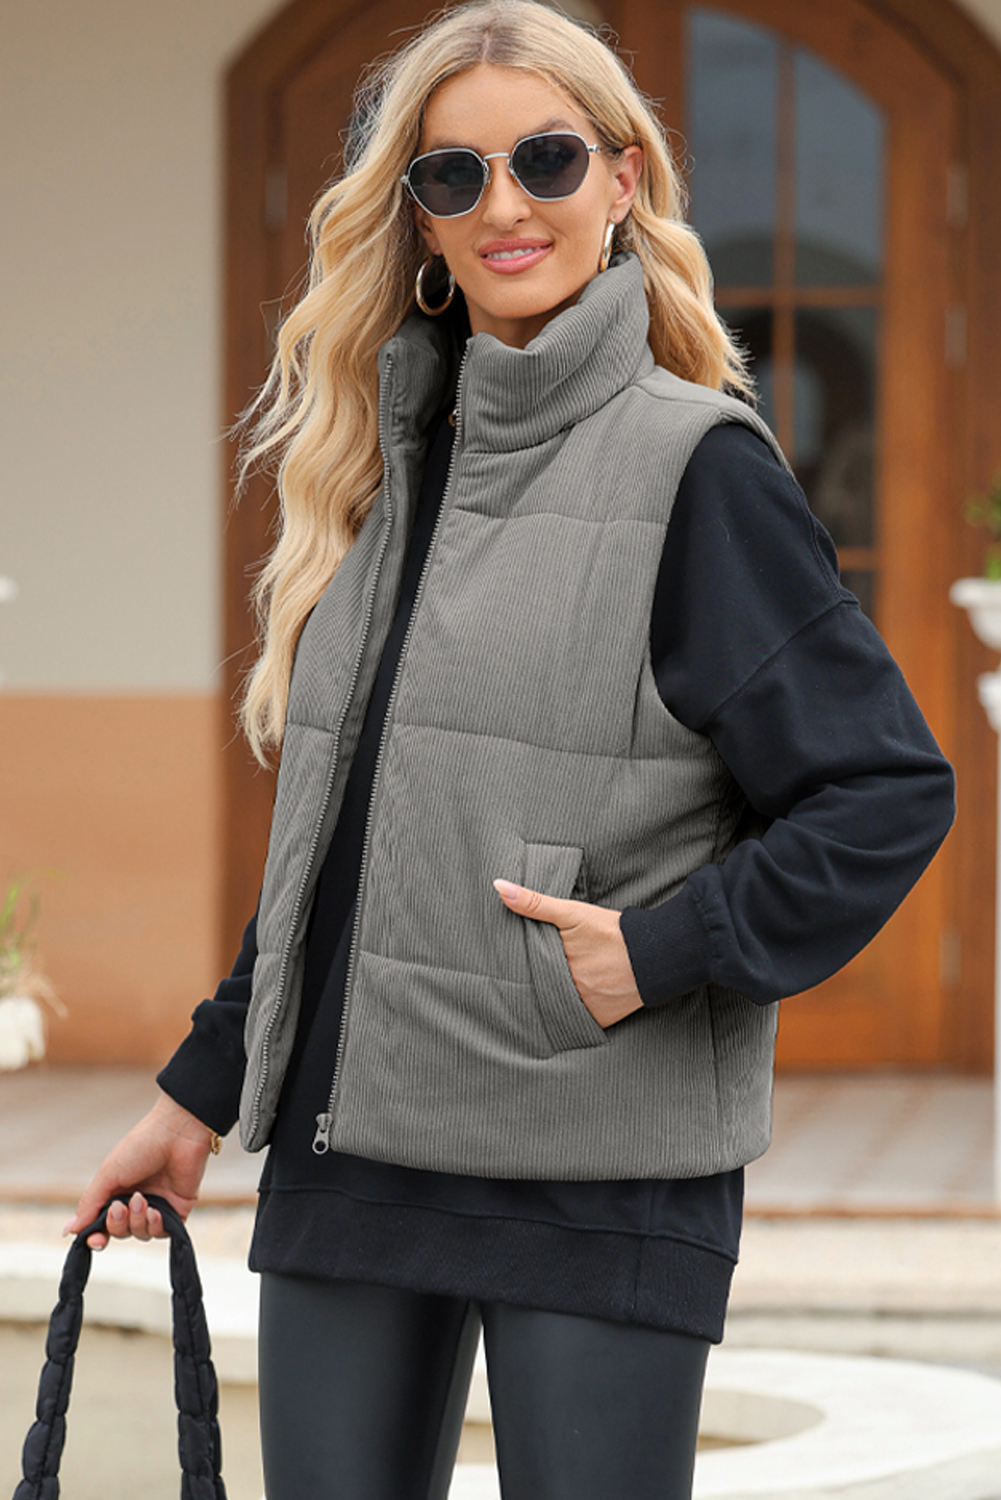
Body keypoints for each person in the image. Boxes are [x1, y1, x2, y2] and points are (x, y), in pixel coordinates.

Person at [65, 3, 955, 1497]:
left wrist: (657, 952)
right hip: (357, 1158)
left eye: (546, 159)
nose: (504, 206)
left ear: (621, 181)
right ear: (417, 217)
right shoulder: (383, 470)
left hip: (596, 1168)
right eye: (454, 174)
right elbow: (341, 845)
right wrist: (199, 1091)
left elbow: (881, 792)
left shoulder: (696, 469)